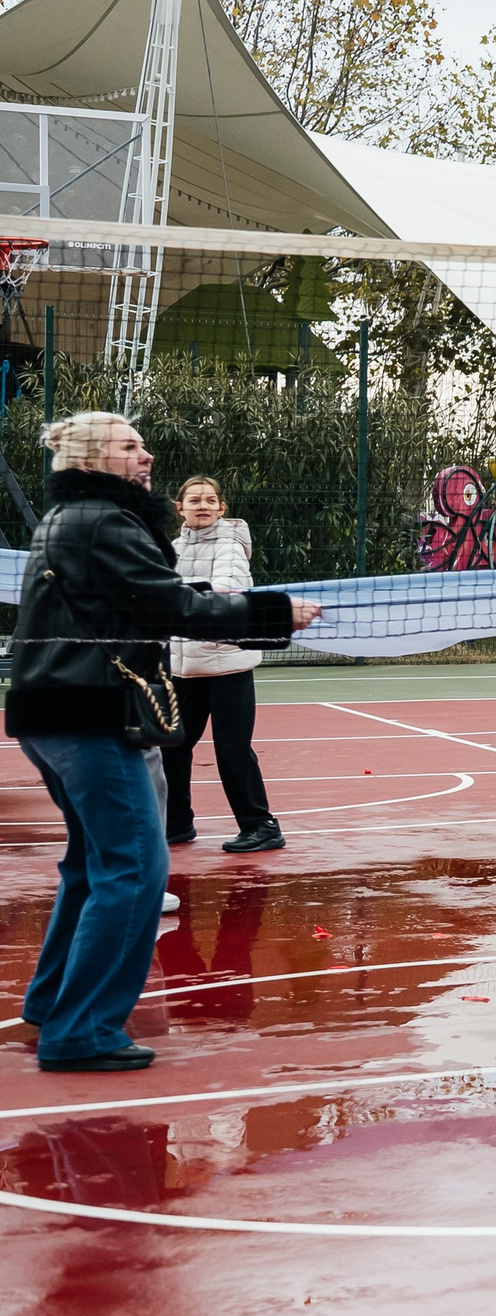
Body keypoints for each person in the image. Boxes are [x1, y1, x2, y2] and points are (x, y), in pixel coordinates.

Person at [5, 413, 318, 1073]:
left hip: (52, 709)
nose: (146, 454)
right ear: (92, 457)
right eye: (130, 446)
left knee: (92, 866)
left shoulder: (70, 520)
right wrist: (270, 612)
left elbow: (155, 599)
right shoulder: (105, 522)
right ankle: (80, 1031)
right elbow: (170, 607)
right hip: (92, 712)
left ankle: (53, 1002)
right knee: (135, 873)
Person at [161, 476, 286, 855]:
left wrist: (175, 601)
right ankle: (176, 823)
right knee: (173, 747)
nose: (202, 505)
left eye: (210, 500)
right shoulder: (172, 548)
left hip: (228, 665)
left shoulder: (230, 545)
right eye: (194, 499)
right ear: (179, 507)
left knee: (231, 750)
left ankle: (261, 826)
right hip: (185, 667)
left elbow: (225, 589)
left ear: (221, 508)